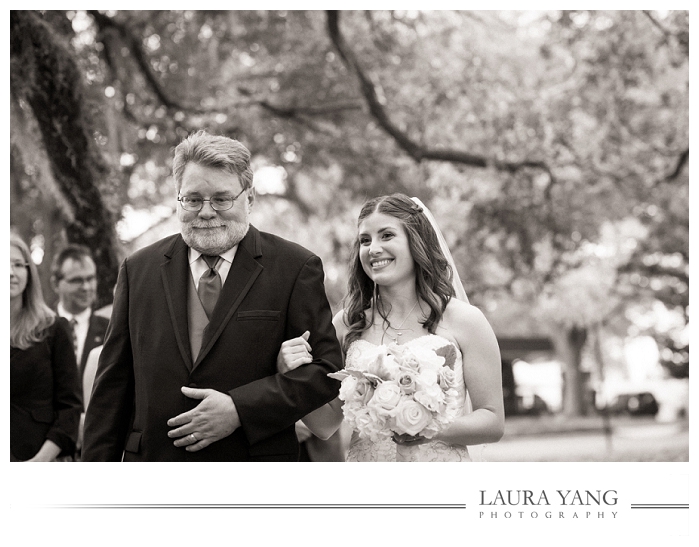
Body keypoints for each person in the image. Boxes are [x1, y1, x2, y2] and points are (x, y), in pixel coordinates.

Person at [82, 130, 342, 461]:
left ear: (249, 199)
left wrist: (240, 408)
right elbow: (111, 391)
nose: (206, 212)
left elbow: (327, 373)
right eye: (192, 199)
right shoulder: (138, 270)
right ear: (178, 198)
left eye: (222, 199)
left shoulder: (295, 268)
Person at [277, 193, 504, 461]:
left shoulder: (466, 320)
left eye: (386, 235)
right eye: (365, 240)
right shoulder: (347, 324)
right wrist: (288, 376)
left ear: (416, 242)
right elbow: (325, 425)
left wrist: (424, 426)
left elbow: (492, 421)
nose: (373, 248)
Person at [10, 233, 82, 461]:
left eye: (18, 265)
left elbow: (69, 408)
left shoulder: (53, 328)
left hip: (41, 460)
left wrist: (39, 462)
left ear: (29, 272)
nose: (11, 273)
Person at [51, 244, 110, 456]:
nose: (86, 287)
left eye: (90, 278)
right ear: (55, 284)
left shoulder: (112, 331)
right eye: (77, 280)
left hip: (97, 448)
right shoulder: (40, 329)